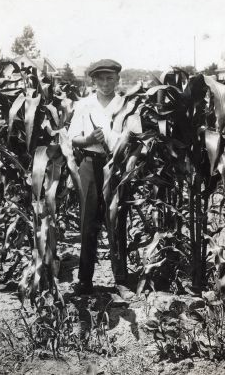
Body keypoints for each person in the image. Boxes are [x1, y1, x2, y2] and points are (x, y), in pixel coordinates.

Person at [68, 59, 131, 298]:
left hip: (116, 166)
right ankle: (85, 280)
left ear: (117, 80)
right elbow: (73, 137)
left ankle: (121, 279)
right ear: (93, 81)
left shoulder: (124, 104)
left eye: (110, 78)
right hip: (90, 165)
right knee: (88, 224)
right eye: (101, 79)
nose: (106, 83)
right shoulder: (85, 105)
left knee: (117, 221)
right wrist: (89, 140)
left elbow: (133, 135)